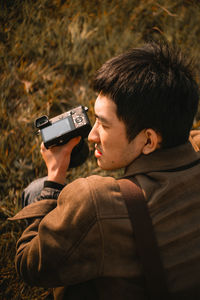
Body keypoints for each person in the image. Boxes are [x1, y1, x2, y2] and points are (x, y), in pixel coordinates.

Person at [10, 42, 200, 299]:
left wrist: (55, 178)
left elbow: (27, 265)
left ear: (148, 141)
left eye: (104, 124)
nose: (91, 135)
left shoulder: (95, 204)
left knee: (36, 191)